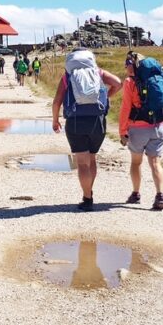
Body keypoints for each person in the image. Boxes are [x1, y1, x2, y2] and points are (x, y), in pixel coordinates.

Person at [52, 48, 121, 211]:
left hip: (76, 121)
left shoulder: (67, 77)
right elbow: (118, 83)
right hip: (97, 120)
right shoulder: (99, 72)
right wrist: (106, 97)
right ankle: (88, 192)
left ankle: (87, 198)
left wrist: (55, 120)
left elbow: (56, 102)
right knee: (92, 159)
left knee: (82, 163)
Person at [119, 52, 163, 210]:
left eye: (126, 65)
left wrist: (123, 131)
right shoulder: (156, 78)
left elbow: (126, 108)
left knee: (136, 162)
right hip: (158, 127)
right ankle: (160, 195)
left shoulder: (129, 82)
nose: (125, 68)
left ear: (130, 65)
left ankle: (136, 194)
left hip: (138, 128)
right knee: (155, 162)